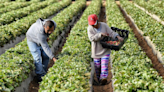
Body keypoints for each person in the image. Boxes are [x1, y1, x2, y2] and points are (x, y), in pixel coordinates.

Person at [87, 14, 124, 85]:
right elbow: (92, 38)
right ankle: (99, 80)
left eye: (94, 24)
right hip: (96, 51)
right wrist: (100, 34)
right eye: (92, 25)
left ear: (97, 21)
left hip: (105, 50)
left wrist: (117, 36)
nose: (94, 26)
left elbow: (111, 33)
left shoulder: (104, 25)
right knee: (97, 67)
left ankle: (103, 78)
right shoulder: (90, 28)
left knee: (104, 65)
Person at [26, 18, 57, 82]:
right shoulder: (40, 31)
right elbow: (45, 47)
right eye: (48, 30)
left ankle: (44, 71)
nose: (50, 32)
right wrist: (53, 58)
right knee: (37, 58)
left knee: (45, 55)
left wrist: (47, 35)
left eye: (51, 30)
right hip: (32, 39)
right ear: (44, 27)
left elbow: (46, 34)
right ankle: (40, 76)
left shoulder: (53, 24)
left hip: (40, 37)